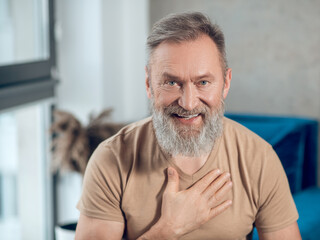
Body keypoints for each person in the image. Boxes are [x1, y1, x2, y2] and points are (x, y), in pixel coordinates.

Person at [75, 12, 301, 240]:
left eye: (203, 82)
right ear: (148, 84)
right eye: (172, 82)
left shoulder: (259, 159)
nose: (188, 102)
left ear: (226, 83)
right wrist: (168, 230)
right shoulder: (112, 158)